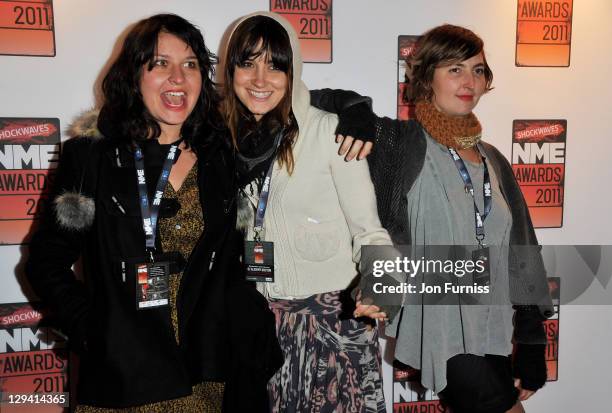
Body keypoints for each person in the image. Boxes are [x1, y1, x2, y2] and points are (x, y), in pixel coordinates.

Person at [313, 24, 553, 413]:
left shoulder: (494, 158)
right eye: (454, 69)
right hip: (440, 331)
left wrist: (531, 339)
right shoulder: (399, 143)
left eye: (477, 70)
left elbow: (522, 249)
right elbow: (303, 99)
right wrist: (355, 110)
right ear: (426, 78)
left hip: (491, 328)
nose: (469, 81)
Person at [25, 14, 248, 412]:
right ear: (134, 74)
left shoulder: (221, 158)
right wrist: (92, 330)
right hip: (122, 382)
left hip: (204, 380)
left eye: (191, 64)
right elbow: (46, 261)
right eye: (160, 63)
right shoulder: (92, 157)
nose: (178, 77)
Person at [219, 12, 392, 413]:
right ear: (231, 70)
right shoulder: (221, 141)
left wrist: (381, 286)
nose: (261, 79)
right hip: (261, 332)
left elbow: (370, 231)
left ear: (293, 70)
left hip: (332, 329)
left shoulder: (330, 132)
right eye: (248, 63)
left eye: (276, 65)